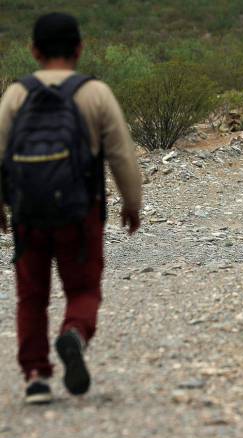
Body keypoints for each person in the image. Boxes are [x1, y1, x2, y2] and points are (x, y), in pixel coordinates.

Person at [0, 13, 142, 404]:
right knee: (83, 288)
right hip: (80, 213)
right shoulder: (95, 93)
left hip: (27, 213)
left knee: (31, 296)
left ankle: (35, 377)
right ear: (80, 49)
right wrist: (132, 204)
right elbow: (122, 155)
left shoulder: (15, 94)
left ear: (33, 50)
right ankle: (74, 334)